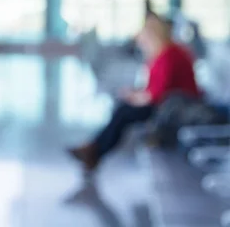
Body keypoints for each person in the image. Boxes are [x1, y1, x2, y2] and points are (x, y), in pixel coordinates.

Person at [68, 13, 198, 172]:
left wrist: (136, 97)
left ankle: (94, 150)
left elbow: (158, 94)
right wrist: (135, 94)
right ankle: (94, 149)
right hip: (169, 103)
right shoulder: (163, 52)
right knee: (123, 109)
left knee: (124, 112)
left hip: (177, 107)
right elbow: (155, 88)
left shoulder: (169, 55)